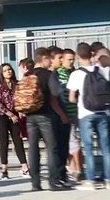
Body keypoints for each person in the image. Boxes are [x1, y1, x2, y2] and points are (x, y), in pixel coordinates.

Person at [23, 47, 70, 191]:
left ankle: (35, 183)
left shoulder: (27, 74)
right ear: (43, 58)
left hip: (30, 116)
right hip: (46, 116)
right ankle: (54, 182)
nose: (50, 62)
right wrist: (63, 115)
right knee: (52, 148)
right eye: (49, 59)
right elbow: (54, 97)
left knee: (33, 149)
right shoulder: (48, 75)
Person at [67, 42, 110, 191]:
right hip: (104, 113)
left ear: (78, 56)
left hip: (85, 113)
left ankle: (91, 181)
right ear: (92, 53)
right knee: (106, 148)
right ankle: (108, 180)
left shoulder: (76, 74)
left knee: (89, 147)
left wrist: (80, 97)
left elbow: (72, 98)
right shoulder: (104, 71)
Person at [0, 63, 29, 179]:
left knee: (18, 141)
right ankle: (4, 169)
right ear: (1, 73)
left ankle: (24, 167)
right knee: (4, 142)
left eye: (9, 69)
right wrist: (10, 114)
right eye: (5, 70)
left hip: (15, 115)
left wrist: (19, 111)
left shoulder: (16, 84)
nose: (8, 72)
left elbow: (20, 99)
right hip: (2, 116)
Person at [48, 46, 72, 186]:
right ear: (52, 59)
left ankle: (62, 176)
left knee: (63, 147)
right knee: (58, 148)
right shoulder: (51, 76)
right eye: (59, 58)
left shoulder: (57, 74)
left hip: (61, 115)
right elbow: (53, 99)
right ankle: (57, 177)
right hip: (56, 117)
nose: (62, 60)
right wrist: (63, 115)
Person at [57, 49, 82, 181]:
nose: (72, 62)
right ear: (62, 59)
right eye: (69, 59)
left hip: (76, 110)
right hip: (66, 112)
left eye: (73, 59)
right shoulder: (58, 74)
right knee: (73, 141)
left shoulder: (75, 72)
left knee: (75, 141)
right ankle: (76, 169)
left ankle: (77, 169)